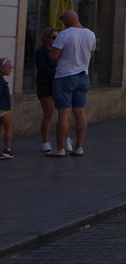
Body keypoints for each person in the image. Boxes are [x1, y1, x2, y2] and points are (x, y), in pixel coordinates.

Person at [47, 10, 96, 155]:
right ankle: (79, 147)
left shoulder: (64, 34)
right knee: (80, 113)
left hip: (65, 76)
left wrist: (51, 49)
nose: (63, 23)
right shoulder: (90, 34)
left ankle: (60, 148)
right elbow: (91, 54)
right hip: (83, 76)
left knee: (64, 114)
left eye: (63, 20)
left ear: (68, 19)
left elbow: (53, 56)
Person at [34, 27, 57, 152]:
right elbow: (42, 68)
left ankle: (65, 139)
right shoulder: (41, 51)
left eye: (57, 37)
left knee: (64, 112)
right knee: (48, 114)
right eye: (53, 37)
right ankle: (45, 141)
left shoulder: (56, 51)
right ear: (46, 38)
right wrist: (56, 74)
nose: (55, 39)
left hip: (55, 84)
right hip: (45, 84)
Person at [0, 56, 12, 160]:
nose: (10, 70)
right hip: (3, 108)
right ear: (2, 68)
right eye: (8, 68)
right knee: (8, 127)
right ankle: (7, 150)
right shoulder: (1, 81)